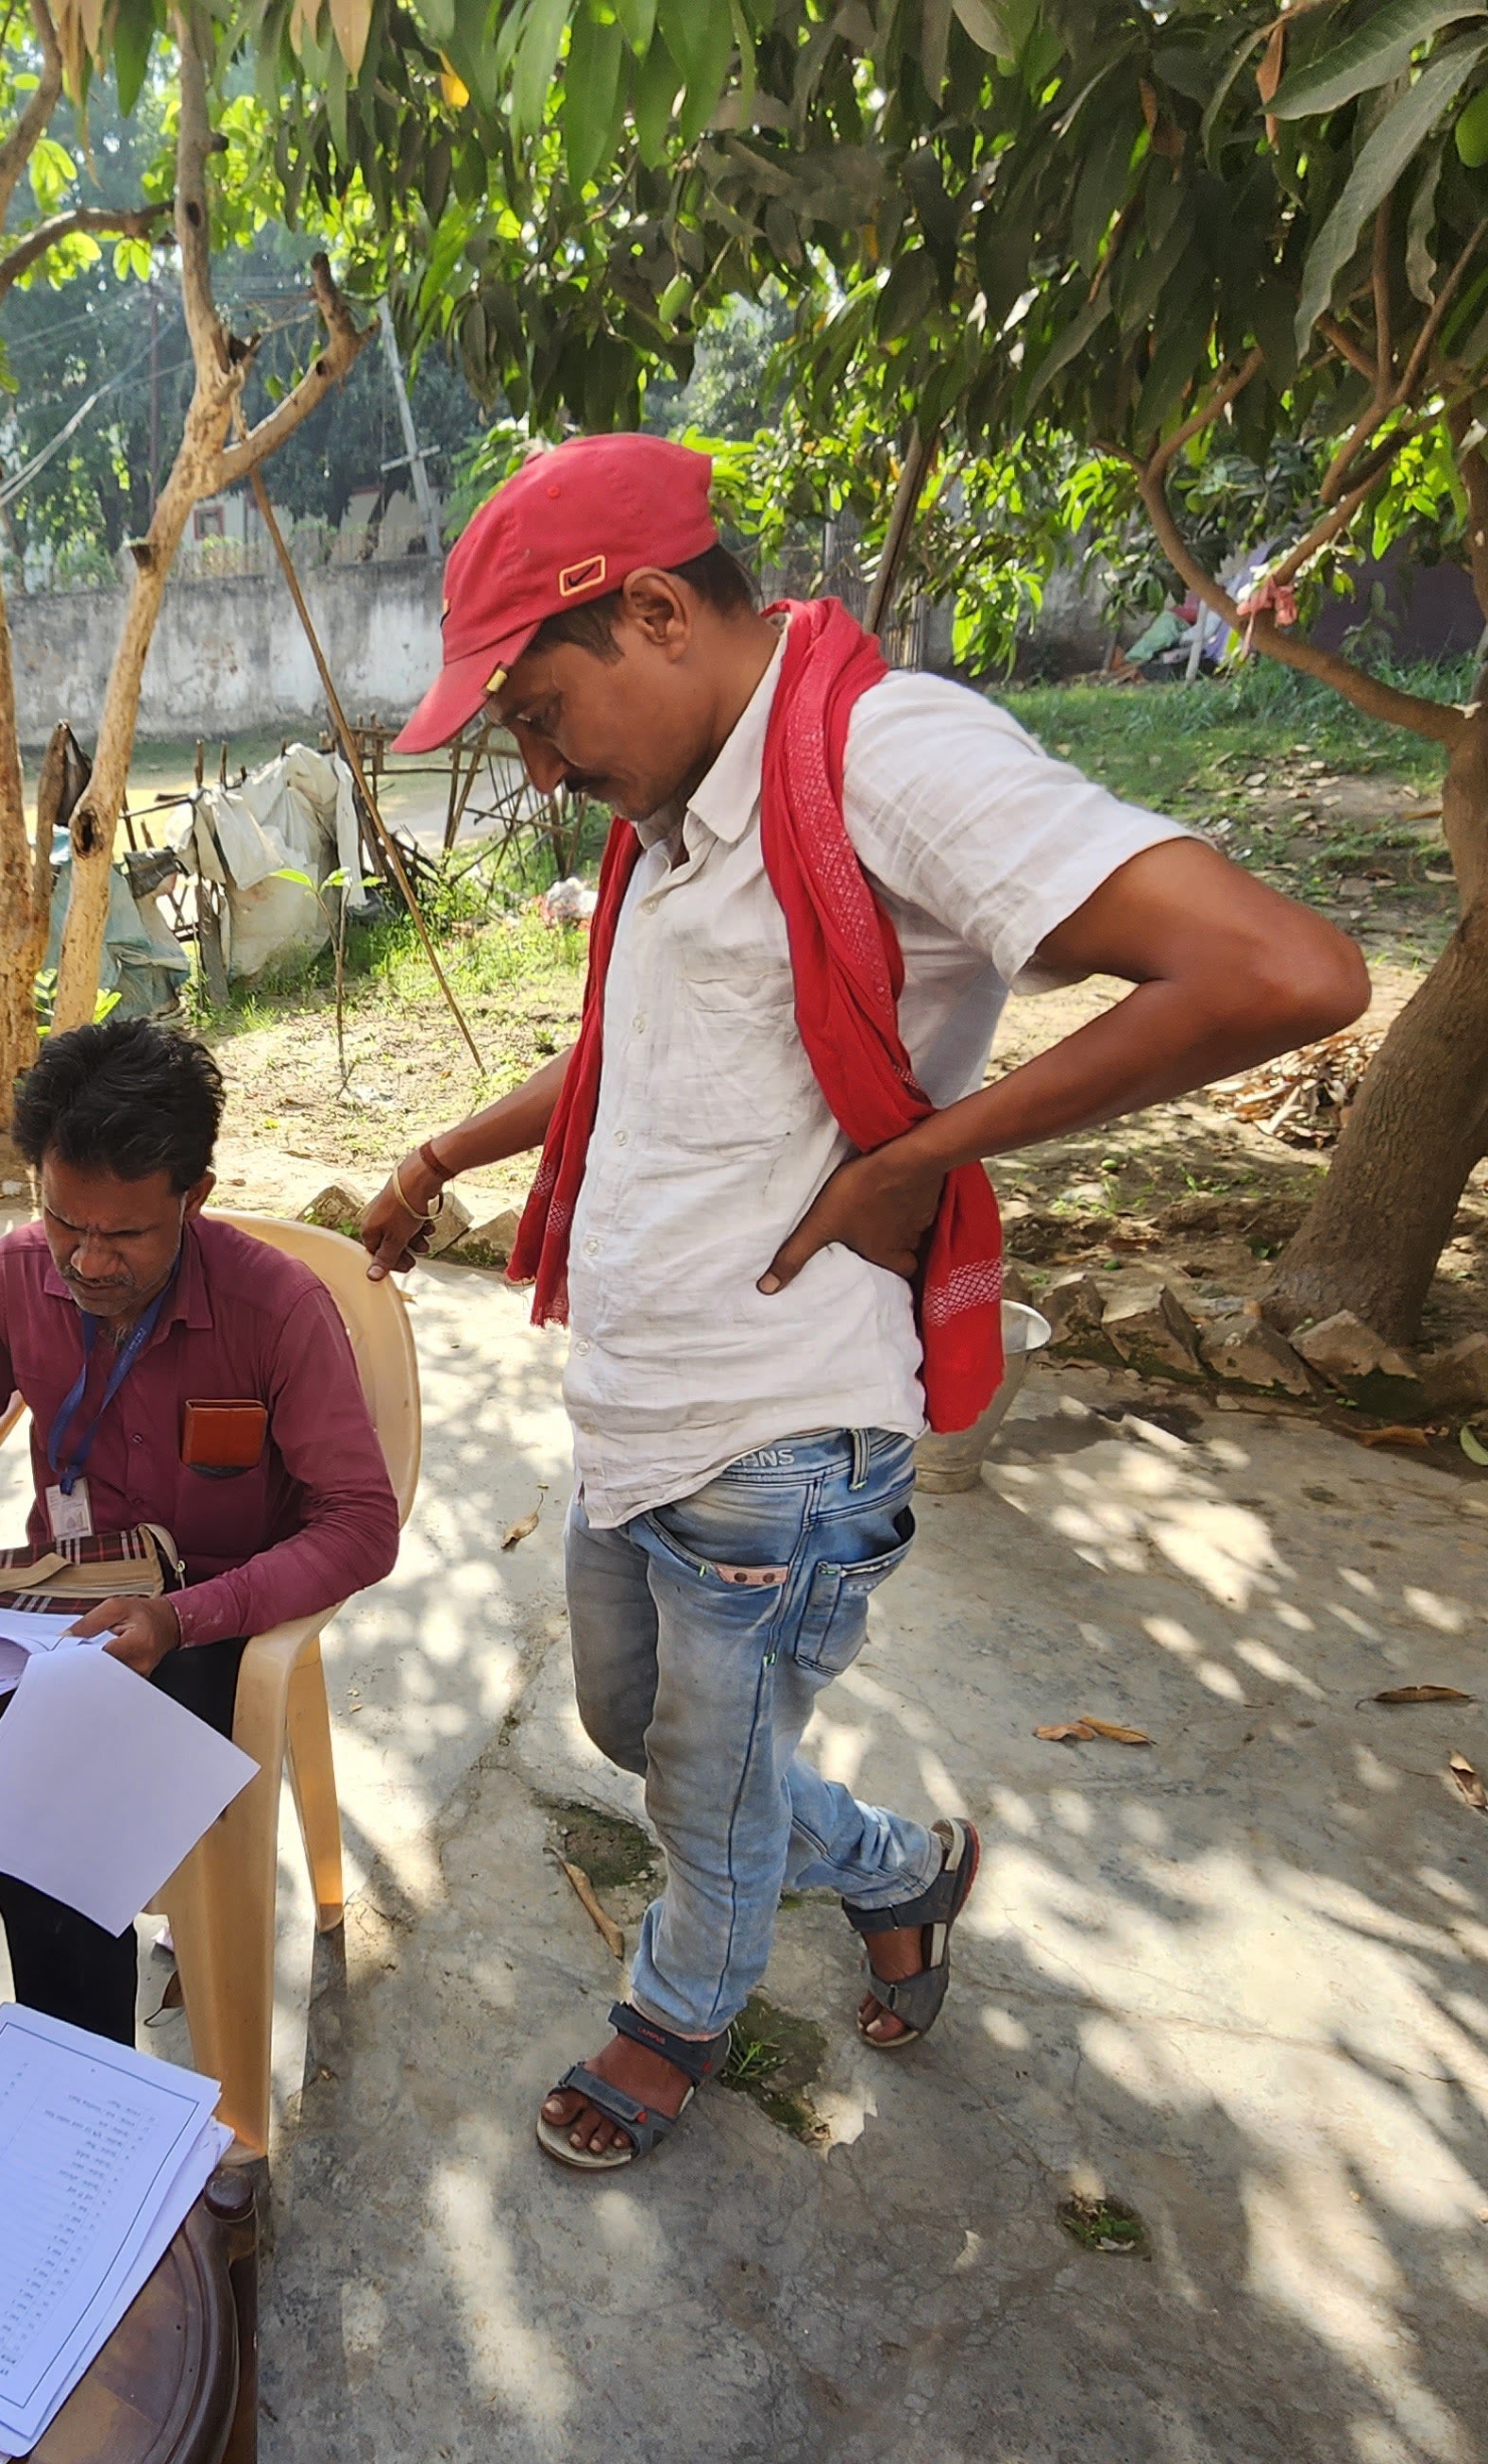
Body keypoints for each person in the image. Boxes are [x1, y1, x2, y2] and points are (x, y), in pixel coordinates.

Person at [358, 434, 1366, 2170]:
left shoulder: (884, 756)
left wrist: (919, 1163)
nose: (536, 767)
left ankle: (674, 2017)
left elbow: (1281, 970)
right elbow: (629, 1063)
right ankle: (905, 1871)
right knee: (640, 1734)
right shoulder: (678, 829)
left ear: (656, 613)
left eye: (536, 713)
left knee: (703, 1786)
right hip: (640, 1407)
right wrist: (451, 1151)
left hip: (785, 1426)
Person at [0, 1021, 401, 2040]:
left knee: (49, 1858)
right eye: (65, 1222)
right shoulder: (19, 1276)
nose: (87, 1262)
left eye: (125, 1236)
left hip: (205, 1619)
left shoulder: (274, 1310)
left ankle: (79, 2104)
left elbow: (362, 1524)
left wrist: (184, 1618)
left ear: (192, 1197)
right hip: (45, 1606)